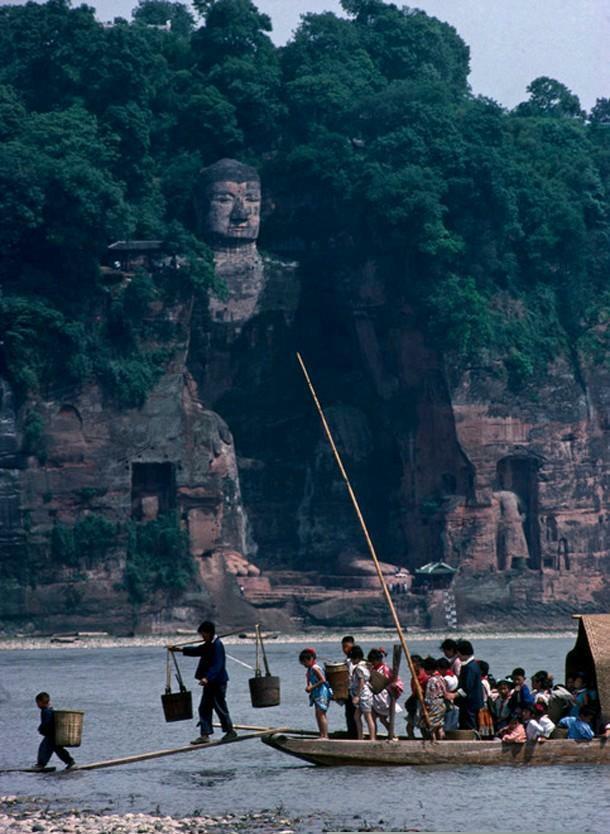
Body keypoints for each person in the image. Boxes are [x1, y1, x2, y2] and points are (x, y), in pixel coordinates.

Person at [170, 621, 236, 745]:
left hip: (217, 682)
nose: (202, 637)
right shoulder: (209, 644)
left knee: (220, 707)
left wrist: (207, 678)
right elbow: (197, 650)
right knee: (204, 708)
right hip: (210, 684)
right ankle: (205, 735)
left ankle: (230, 732)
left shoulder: (217, 645)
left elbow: (218, 665)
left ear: (210, 633)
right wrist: (179, 650)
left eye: (203, 634)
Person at [33, 692, 75, 771]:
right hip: (55, 734)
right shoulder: (50, 709)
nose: (37, 705)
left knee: (44, 748)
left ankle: (41, 765)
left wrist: (41, 729)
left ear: (40, 702)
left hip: (51, 735)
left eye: (37, 703)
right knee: (58, 749)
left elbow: (47, 723)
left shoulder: (46, 711)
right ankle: (70, 762)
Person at [367, 648, 403, 733]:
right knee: (372, 718)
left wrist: (394, 685)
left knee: (383, 719)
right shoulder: (372, 669)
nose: (372, 662)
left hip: (384, 697)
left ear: (378, 660)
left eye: (374, 661)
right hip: (374, 697)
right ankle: (373, 737)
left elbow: (397, 681)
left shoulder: (386, 669)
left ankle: (392, 734)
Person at [298, 648, 332, 738]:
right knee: (318, 714)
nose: (304, 664)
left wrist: (312, 687)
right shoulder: (310, 669)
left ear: (311, 659)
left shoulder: (315, 668)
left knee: (321, 714)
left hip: (322, 693)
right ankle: (322, 735)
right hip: (317, 693)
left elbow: (323, 680)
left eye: (305, 662)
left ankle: (325, 736)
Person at [454, 640, 483, 730]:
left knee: (470, 726)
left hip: (470, 704)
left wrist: (454, 695)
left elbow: (467, 688)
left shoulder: (470, 667)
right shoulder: (471, 665)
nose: (457, 656)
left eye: (458, 653)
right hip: (470, 704)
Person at [349, 645, 376, 741]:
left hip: (363, 695)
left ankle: (372, 738)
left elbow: (361, 682)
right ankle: (360, 737)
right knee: (356, 717)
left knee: (368, 717)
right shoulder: (365, 665)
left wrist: (357, 696)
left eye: (352, 658)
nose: (351, 660)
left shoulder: (359, 668)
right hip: (363, 694)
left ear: (356, 658)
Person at [420, 657, 446, 740]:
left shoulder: (431, 680)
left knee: (430, 725)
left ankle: (434, 741)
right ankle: (441, 741)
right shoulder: (441, 677)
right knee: (439, 725)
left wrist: (426, 705)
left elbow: (429, 696)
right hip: (441, 703)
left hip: (434, 704)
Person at [405, 654, 428, 739]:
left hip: (421, 705)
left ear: (417, 664)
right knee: (409, 728)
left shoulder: (423, 675)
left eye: (411, 663)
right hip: (415, 705)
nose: (409, 666)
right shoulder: (415, 676)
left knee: (423, 728)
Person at [341, 635, 358, 739]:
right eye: (343, 647)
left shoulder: (356, 659)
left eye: (347, 647)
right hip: (349, 692)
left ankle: (356, 735)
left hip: (356, 692)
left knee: (355, 715)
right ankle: (352, 733)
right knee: (349, 714)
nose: (345, 649)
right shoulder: (347, 660)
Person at [438, 657, 459, 732]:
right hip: (453, 701)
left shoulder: (446, 679)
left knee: (446, 724)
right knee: (452, 724)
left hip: (446, 702)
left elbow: (441, 691)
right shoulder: (454, 676)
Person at [477, 660, 495, 738]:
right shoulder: (485, 681)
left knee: (483, 721)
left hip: (482, 705)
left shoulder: (482, 682)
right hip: (484, 705)